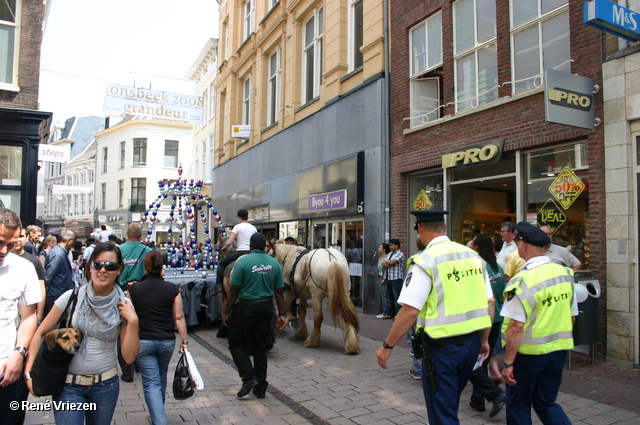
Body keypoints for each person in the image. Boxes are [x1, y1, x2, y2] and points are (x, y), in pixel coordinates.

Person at [377, 210, 494, 425]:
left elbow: (410, 310)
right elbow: (490, 303)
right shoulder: (472, 256)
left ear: (420, 228)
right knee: (450, 404)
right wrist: (484, 340)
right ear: (445, 228)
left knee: (442, 413)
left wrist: (387, 345)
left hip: (443, 349)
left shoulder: (424, 261)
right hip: (472, 345)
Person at [25, 242, 140, 425]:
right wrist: (28, 373)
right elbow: (40, 333)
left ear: (118, 270)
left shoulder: (123, 306)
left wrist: (133, 322)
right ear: (90, 267)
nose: (102, 270)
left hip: (105, 385)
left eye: (110, 266)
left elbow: (128, 357)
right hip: (68, 386)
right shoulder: (72, 297)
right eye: (97, 264)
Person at [501, 221, 577, 425]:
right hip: (558, 351)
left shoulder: (522, 280)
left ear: (523, 245)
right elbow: (572, 315)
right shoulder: (566, 274)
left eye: (517, 243)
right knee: (546, 402)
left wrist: (508, 363)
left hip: (528, 355)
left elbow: (516, 327)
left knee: (518, 404)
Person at [222, 233, 286, 399]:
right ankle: (261, 386)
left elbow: (234, 290)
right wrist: (282, 314)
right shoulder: (274, 263)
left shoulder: (243, 261)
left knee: (236, 343)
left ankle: (248, 378)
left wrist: (226, 311)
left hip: (246, 307)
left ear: (251, 245)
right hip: (267, 308)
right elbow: (279, 291)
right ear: (264, 245)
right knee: (260, 347)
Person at [127, 251, 188, 425]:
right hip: (166, 340)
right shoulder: (172, 288)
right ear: (162, 267)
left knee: (151, 382)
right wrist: (185, 340)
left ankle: (159, 420)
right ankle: (157, 414)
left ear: (144, 267)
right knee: (161, 378)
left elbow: (127, 316)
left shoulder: (134, 289)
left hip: (143, 340)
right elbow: (178, 317)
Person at [0, 209, 41, 425]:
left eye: (11, 244)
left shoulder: (23, 268)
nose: (4, 250)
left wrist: (19, 354)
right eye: (0, 242)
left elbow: (28, 316)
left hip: (5, 369)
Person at [467, 234, 507, 417]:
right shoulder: (496, 266)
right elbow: (501, 296)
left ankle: (494, 394)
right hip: (496, 318)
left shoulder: (475, 268)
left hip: (480, 319)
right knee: (482, 358)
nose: (469, 243)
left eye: (472, 241)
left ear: (476, 247)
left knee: (470, 361)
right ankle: (477, 399)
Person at [117, 223, 152, 383]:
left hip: (121, 292)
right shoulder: (148, 251)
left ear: (126, 234)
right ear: (141, 235)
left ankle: (127, 371)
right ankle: (139, 364)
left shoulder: (118, 250)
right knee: (140, 329)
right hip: (143, 292)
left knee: (123, 330)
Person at [214, 209, 257, 295]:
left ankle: (217, 286)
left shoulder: (237, 227)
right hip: (251, 252)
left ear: (239, 217)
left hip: (240, 252)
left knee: (221, 264)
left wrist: (224, 248)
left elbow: (229, 242)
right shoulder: (253, 228)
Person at [43, 230, 77, 317]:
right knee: (54, 322)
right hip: (56, 293)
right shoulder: (58, 253)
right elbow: (50, 273)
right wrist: (46, 289)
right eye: (74, 241)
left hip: (60, 292)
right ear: (69, 240)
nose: (74, 244)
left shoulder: (61, 252)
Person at [381, 238, 405, 319]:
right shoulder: (390, 254)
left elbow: (391, 262)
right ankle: (390, 314)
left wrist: (388, 262)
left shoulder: (400, 254)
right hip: (389, 278)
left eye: (391, 245)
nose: (390, 246)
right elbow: (384, 264)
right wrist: (387, 263)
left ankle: (399, 314)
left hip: (396, 279)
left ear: (396, 246)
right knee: (389, 298)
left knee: (397, 297)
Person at [375, 243, 391, 320]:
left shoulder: (387, 257)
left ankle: (385, 312)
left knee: (385, 296)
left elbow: (388, 269)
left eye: (380, 247)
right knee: (383, 295)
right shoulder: (380, 257)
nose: (379, 248)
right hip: (381, 277)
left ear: (384, 249)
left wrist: (384, 278)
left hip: (385, 278)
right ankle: (385, 312)